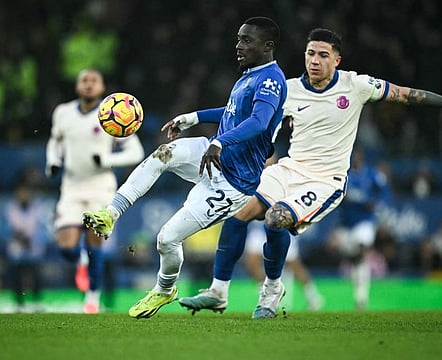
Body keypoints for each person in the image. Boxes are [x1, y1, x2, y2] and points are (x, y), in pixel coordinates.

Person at [178, 28, 442, 319]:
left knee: (275, 219)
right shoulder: (287, 89)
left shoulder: (356, 85)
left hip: (325, 180)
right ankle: (218, 291)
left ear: (337, 60)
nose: (314, 61)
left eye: (322, 55)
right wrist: (194, 118)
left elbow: (405, 94)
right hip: (290, 168)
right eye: (310, 54)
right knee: (239, 211)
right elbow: (236, 111)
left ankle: (271, 289)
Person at [83, 17, 287, 319]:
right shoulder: (249, 75)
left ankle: (164, 290)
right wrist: (194, 117)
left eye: (247, 40)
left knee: (166, 239)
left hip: (233, 182)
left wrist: (221, 143)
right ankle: (111, 213)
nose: (238, 45)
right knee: (163, 153)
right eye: (239, 39)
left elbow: (258, 122)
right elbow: (232, 110)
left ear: (268, 46)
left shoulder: (270, 80)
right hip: (214, 154)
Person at [45, 69, 144, 314]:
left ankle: (92, 298)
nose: (88, 85)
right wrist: (52, 161)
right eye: (84, 81)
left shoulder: (112, 114)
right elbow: (55, 141)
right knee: (66, 247)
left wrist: (107, 158)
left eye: (94, 81)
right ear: (77, 86)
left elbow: (136, 152)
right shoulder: (63, 113)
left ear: (102, 88)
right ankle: (80, 261)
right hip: (71, 186)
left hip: (101, 186)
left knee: (94, 244)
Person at [326, 148, 390, 310]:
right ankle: (358, 293)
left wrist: (376, 203)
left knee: (362, 250)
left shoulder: (372, 174)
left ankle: (361, 298)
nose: (356, 159)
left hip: (364, 220)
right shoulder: (343, 174)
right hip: (346, 223)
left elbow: (384, 191)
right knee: (352, 258)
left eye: (358, 157)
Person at [244, 220, 324, 310]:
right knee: (251, 262)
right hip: (260, 227)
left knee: (293, 265)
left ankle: (313, 296)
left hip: (281, 225)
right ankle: (268, 296)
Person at [3, 183, 47, 312]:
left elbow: (42, 229)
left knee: (35, 277)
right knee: (17, 277)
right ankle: (19, 303)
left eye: (25, 193)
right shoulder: (11, 209)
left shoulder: (37, 209)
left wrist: (33, 240)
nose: (23, 196)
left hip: (33, 249)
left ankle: (37, 302)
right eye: (20, 193)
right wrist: (17, 236)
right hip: (16, 249)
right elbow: (4, 230)